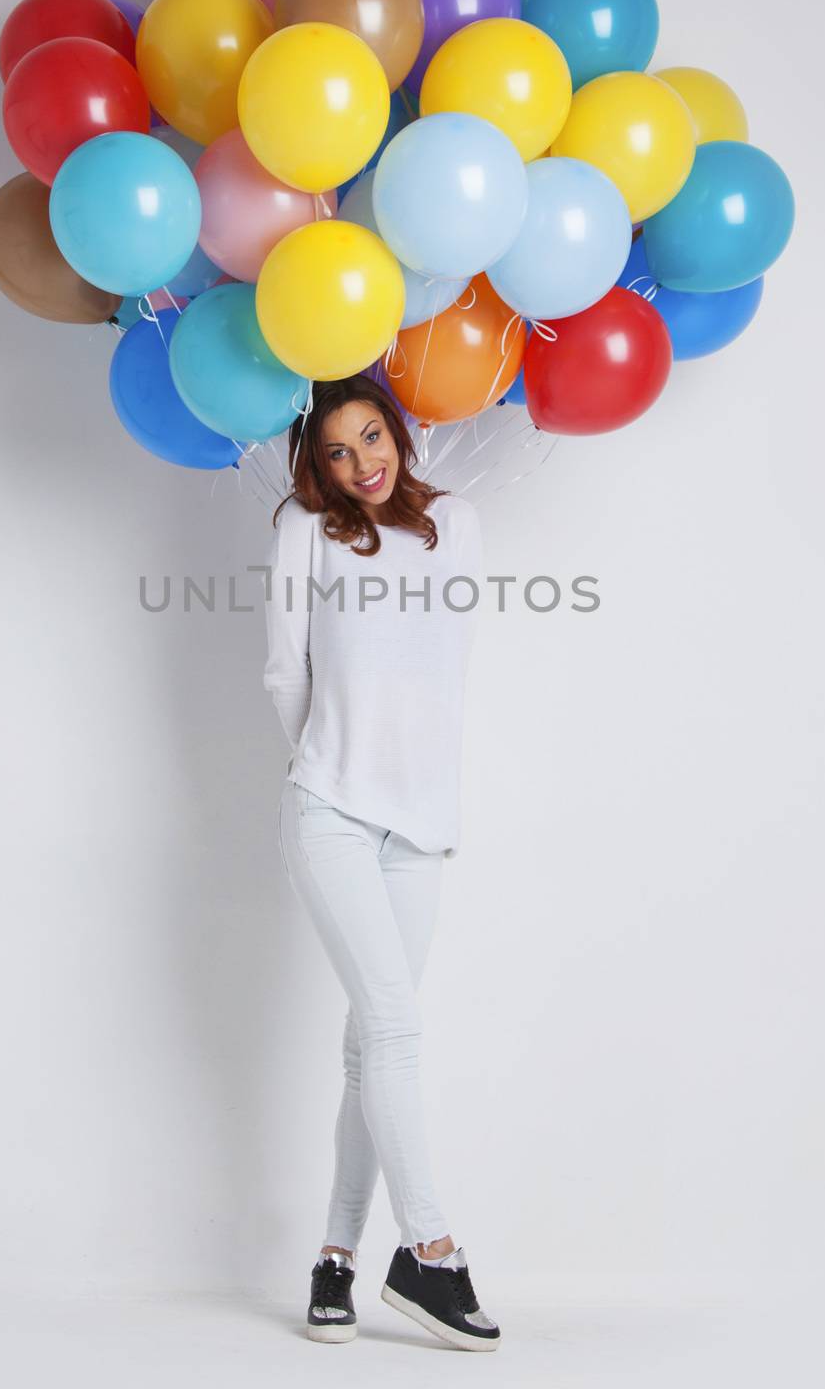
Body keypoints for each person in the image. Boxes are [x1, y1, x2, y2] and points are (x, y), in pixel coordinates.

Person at [262, 372, 501, 1353]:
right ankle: (430, 1250)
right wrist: (325, 764)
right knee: (397, 1026)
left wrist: (414, 786)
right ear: (314, 464)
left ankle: (333, 1259)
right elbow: (285, 670)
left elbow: (440, 670)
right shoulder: (299, 529)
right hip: (331, 813)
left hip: (420, 827)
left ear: (398, 432)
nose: (361, 463)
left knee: (370, 1046)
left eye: (372, 437)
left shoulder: (457, 524)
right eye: (336, 451)